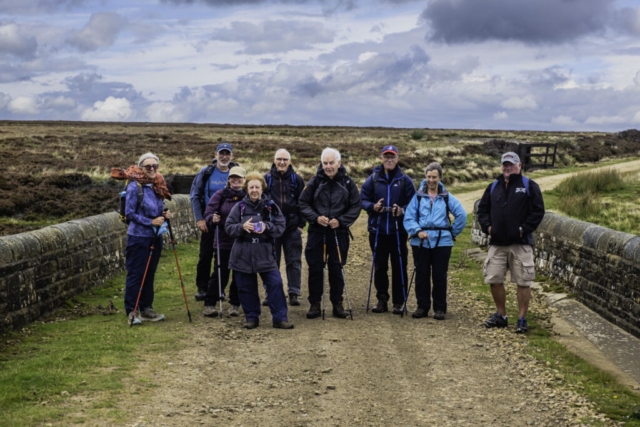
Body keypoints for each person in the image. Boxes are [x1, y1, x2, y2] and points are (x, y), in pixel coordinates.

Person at [477, 152, 545, 333]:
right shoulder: (493, 187)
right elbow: (482, 211)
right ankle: (502, 316)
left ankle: (522, 319)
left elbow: (538, 212)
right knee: (494, 278)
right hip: (497, 243)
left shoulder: (529, 185)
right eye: (505, 164)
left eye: (511, 164)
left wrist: (523, 229)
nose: (507, 167)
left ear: (519, 165)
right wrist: (488, 228)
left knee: (523, 281)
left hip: (521, 243)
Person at [225, 172, 294, 330]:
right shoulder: (239, 207)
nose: (254, 190)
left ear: (262, 188)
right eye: (251, 187)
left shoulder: (270, 207)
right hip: (242, 253)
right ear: (246, 189)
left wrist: (266, 226)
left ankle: (279, 318)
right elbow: (228, 228)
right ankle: (252, 317)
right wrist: (242, 227)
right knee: (246, 287)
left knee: (275, 283)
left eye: (257, 187)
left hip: (264, 252)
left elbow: (280, 226)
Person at [299, 148, 361, 319]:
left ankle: (337, 304)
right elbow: (303, 203)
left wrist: (341, 220)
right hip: (317, 232)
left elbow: (356, 206)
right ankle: (314, 304)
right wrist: (316, 218)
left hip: (338, 232)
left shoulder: (348, 183)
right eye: (325, 163)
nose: (328, 167)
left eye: (331, 163)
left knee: (336, 268)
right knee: (315, 268)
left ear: (339, 163)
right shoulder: (314, 182)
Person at [113, 153, 172, 326]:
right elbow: (129, 214)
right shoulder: (134, 187)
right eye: (148, 166)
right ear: (141, 168)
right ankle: (132, 311)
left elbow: (155, 210)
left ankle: (147, 309)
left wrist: (164, 214)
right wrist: (151, 221)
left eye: (155, 166)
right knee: (136, 274)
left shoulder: (157, 185)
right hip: (138, 238)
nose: (152, 169)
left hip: (155, 237)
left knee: (149, 273)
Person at [403, 163, 466, 320]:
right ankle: (422, 307)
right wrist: (418, 231)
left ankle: (439, 309)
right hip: (420, 243)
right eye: (429, 177)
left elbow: (462, 215)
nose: (431, 180)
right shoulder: (417, 197)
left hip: (442, 243)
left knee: (439, 275)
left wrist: (451, 234)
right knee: (422, 274)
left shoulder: (446, 197)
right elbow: (409, 218)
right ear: (426, 177)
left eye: (434, 177)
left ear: (440, 178)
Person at [360, 145, 416, 314]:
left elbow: (413, 204)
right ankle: (382, 300)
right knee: (380, 267)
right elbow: (362, 199)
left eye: (392, 157)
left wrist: (402, 210)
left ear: (397, 159)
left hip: (398, 231)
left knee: (399, 266)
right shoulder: (373, 179)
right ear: (382, 159)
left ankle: (399, 302)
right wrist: (373, 206)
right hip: (377, 231)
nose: (389, 159)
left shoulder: (405, 180)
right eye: (386, 156)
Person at [190, 143, 239, 301]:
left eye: (227, 154)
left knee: (224, 258)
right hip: (209, 222)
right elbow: (195, 196)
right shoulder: (206, 172)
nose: (224, 156)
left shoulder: (236, 172)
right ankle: (202, 288)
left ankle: (219, 288)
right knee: (205, 255)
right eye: (221, 153)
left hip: (230, 225)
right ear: (216, 154)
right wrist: (200, 218)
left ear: (232, 156)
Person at [263, 149, 306, 307]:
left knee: (293, 261)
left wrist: (301, 226)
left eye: (285, 159)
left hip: (292, 227)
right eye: (279, 159)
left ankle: (293, 293)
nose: (282, 162)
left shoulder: (297, 179)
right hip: (272, 227)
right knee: (271, 261)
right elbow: (261, 203)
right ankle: (270, 293)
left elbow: (304, 203)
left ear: (290, 161)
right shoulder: (266, 179)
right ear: (274, 160)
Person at [202, 166, 247, 317]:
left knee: (239, 273)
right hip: (223, 240)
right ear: (228, 179)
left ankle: (235, 304)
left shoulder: (248, 196)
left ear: (244, 179)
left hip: (242, 241)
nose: (236, 179)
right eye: (233, 177)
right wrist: (211, 219)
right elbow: (208, 212)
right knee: (220, 273)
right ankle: (209, 304)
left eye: (239, 177)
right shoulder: (220, 195)